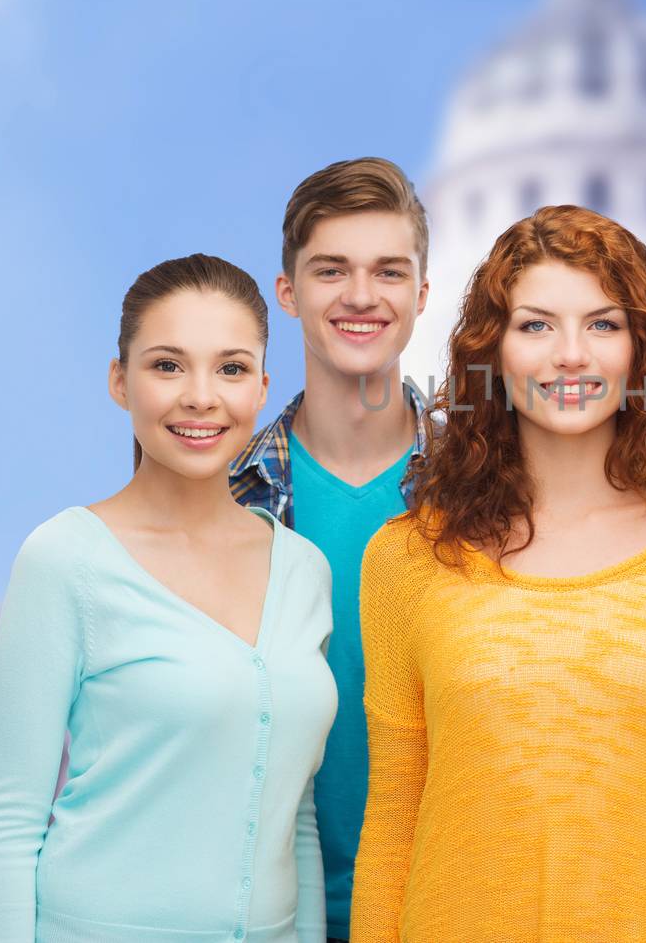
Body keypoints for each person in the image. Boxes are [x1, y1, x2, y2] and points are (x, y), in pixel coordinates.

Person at [351, 206, 646, 942]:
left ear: (640, 349)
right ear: (491, 353)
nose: (571, 354)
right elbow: (394, 811)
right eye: (536, 325)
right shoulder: (403, 560)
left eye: (603, 324)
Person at [0, 254, 339, 942]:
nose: (201, 396)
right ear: (120, 380)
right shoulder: (65, 559)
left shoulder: (306, 572)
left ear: (262, 388)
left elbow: (299, 816)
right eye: (167, 364)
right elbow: (6, 825)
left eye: (230, 368)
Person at [229, 158, 432, 943]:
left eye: (388, 271)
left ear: (420, 295)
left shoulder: (493, 497)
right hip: (262, 915)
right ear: (287, 292)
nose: (359, 295)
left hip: (448, 904)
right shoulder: (224, 493)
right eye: (330, 270)